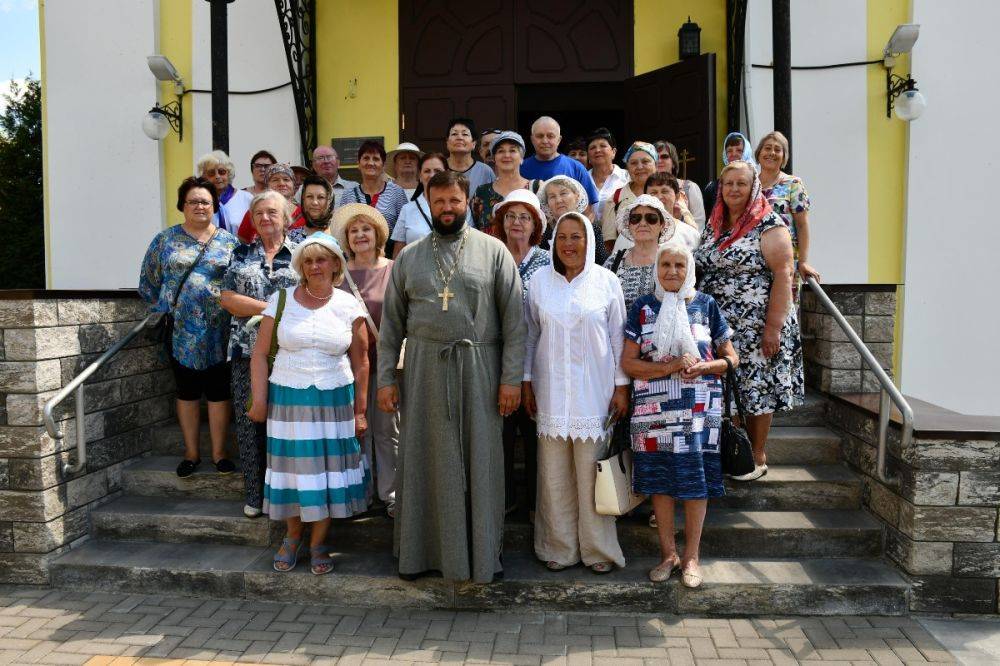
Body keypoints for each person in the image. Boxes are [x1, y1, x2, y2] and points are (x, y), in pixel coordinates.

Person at [376, 170, 526, 583]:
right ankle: (421, 554)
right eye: (439, 201)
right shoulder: (408, 257)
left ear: (466, 203)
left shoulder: (494, 252)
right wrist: (386, 379)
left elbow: (515, 325)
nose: (447, 209)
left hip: (480, 369)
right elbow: (391, 327)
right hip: (424, 371)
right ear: (427, 202)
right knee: (427, 460)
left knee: (480, 461)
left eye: (454, 201)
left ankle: (479, 557)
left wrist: (511, 380)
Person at [247, 235, 371, 576]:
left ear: (335, 264)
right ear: (301, 266)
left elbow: (361, 361)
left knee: (326, 474)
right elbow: (259, 354)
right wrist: (259, 398)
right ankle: (292, 536)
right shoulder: (281, 299)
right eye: (309, 261)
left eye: (322, 260)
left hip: (335, 399)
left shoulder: (348, 305)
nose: (315, 266)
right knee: (294, 471)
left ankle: (319, 542)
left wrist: (360, 411)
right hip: (288, 397)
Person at [621, 241, 738, 587]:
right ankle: (668, 555)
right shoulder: (642, 308)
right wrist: (671, 365)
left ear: (690, 270)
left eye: (679, 265)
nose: (672, 271)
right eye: (666, 265)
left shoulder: (706, 305)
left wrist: (705, 366)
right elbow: (628, 363)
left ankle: (691, 558)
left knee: (695, 485)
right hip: (653, 415)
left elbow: (731, 358)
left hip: (699, 414)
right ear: (656, 269)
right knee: (660, 484)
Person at [523, 211, 628, 574]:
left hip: (595, 395)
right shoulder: (539, 282)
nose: (569, 244)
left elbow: (617, 338)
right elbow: (530, 335)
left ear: (589, 240)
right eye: (563, 237)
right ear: (553, 242)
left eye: (576, 237)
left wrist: (621, 387)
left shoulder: (606, 282)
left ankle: (598, 550)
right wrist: (526, 382)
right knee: (553, 477)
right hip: (550, 392)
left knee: (592, 476)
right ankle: (559, 546)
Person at [695, 161, 804, 481]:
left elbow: (784, 275)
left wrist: (772, 329)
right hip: (721, 323)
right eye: (727, 183)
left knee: (758, 388)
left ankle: (756, 453)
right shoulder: (715, 223)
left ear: (753, 186)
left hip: (758, 323)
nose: (733, 189)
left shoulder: (769, 224)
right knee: (732, 387)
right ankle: (735, 452)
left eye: (740, 183)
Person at [139, 177, 239, 478]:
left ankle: (220, 454)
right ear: (182, 205)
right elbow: (148, 281)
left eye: (205, 201)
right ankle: (192, 453)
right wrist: (168, 306)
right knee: (187, 391)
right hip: (180, 331)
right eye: (193, 201)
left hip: (220, 331)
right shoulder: (165, 240)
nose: (199, 206)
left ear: (214, 206)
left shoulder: (229, 242)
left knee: (220, 392)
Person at [220, 190, 300, 518]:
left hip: (290, 352)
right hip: (245, 349)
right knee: (249, 421)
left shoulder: (301, 253)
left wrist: (259, 309)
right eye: (259, 214)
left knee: (285, 425)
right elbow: (228, 298)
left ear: (286, 217)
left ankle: (285, 495)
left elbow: (309, 296)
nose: (265, 218)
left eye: (272, 212)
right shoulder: (240, 254)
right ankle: (255, 495)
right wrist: (271, 308)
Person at [333, 203, 400, 517]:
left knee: (388, 429)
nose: (360, 235)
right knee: (357, 429)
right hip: (349, 365)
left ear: (378, 235)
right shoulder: (338, 276)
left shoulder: (394, 269)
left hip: (387, 363)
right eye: (354, 230)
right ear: (347, 238)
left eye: (366, 229)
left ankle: (391, 493)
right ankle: (361, 491)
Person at [491, 189, 550, 515]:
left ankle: (537, 504)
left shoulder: (546, 260)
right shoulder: (492, 255)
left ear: (535, 225)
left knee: (536, 435)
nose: (517, 223)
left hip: (539, 360)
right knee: (501, 433)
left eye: (524, 217)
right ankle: (505, 500)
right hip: (498, 361)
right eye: (511, 216)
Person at [755, 131, 819, 285]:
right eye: (767, 148)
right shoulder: (749, 185)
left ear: (784, 157)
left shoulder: (793, 184)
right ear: (758, 154)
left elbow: (802, 225)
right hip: (753, 263)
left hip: (785, 263)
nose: (772, 153)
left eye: (778, 149)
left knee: (784, 308)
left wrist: (803, 261)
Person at [604, 195, 676, 311]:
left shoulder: (672, 260)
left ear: (662, 225)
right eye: (635, 218)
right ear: (629, 225)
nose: (642, 223)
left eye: (651, 218)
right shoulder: (614, 261)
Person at [519, 116, 600, 216]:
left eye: (550, 136)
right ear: (532, 139)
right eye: (540, 136)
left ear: (559, 139)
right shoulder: (521, 168)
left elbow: (589, 210)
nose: (545, 141)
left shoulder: (576, 168)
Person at [339, 141, 410, 247]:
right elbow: (342, 232)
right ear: (358, 163)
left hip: (389, 257)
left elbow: (404, 230)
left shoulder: (397, 193)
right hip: (357, 257)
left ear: (383, 165)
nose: (371, 163)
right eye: (366, 158)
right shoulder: (348, 196)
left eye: (376, 159)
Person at [390, 152, 454, 256]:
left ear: (447, 173)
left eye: (437, 171)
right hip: (415, 271)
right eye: (427, 171)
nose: (432, 175)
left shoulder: (459, 206)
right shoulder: (407, 210)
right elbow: (398, 254)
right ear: (420, 175)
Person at [601, 141, 659, 256]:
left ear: (656, 165)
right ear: (627, 168)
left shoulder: (665, 194)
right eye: (633, 163)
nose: (640, 167)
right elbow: (609, 243)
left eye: (645, 161)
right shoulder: (615, 199)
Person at [471, 131, 535, 232]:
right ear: (494, 158)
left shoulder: (536, 188)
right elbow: (473, 229)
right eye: (501, 151)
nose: (506, 155)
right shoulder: (481, 193)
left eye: (512, 150)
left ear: (522, 158)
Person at [538, 175, 608, 265]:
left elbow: (602, 264)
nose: (558, 200)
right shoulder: (544, 232)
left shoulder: (591, 229)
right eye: (552, 197)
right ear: (547, 203)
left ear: (577, 196)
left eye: (563, 193)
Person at [237, 165, 305, 244]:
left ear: (293, 185)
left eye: (286, 179)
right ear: (267, 185)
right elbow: (242, 241)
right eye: (275, 180)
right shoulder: (255, 212)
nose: (282, 183)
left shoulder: (304, 213)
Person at [197, 150, 253, 235]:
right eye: (211, 173)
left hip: (241, 247)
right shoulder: (200, 202)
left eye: (222, 172)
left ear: (229, 173)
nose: (217, 176)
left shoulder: (246, 198)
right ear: (204, 177)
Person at [655, 140, 706, 228]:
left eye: (664, 157)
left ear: (673, 163)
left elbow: (699, 224)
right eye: (656, 157)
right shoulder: (646, 189)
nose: (659, 161)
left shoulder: (690, 187)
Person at [644, 173, 700, 250]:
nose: (659, 197)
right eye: (653, 193)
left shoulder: (691, 234)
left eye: (664, 191)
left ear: (677, 196)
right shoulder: (634, 231)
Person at [702, 132, 756, 211]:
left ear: (747, 152)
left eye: (739, 150)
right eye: (729, 151)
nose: (734, 154)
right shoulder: (713, 188)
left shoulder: (757, 183)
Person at [444, 117, 496, 194]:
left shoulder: (485, 171)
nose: (459, 137)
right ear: (447, 142)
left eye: (465, 134)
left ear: (474, 143)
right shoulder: (439, 168)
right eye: (454, 134)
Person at [587, 128, 629, 219]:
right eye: (592, 147)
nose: (597, 150)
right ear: (588, 156)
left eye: (603, 146)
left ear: (613, 152)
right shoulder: (582, 179)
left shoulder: (627, 177)